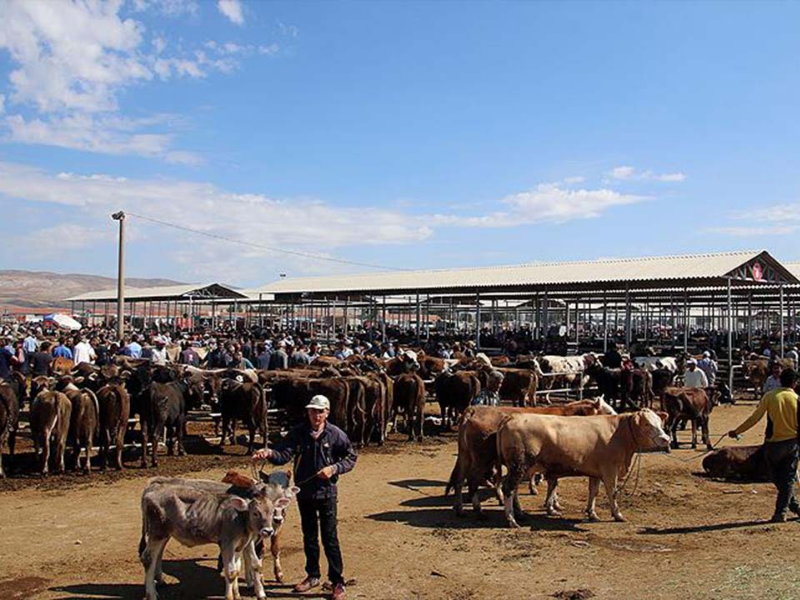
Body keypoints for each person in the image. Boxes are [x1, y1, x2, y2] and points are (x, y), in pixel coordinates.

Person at [252, 395, 356, 600]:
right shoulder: (298, 433)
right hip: (305, 492)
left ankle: (337, 581)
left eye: (320, 411)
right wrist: (268, 452)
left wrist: (334, 468)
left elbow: (351, 457)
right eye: (312, 411)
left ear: (327, 412)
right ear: (308, 412)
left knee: (330, 538)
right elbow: (284, 455)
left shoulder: (336, 434)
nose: (316, 415)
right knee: (309, 536)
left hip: (326, 492)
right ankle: (313, 575)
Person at [728, 368, 800, 522]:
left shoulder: (770, 396)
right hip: (792, 444)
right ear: (795, 383)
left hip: (773, 444)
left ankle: (782, 512)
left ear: (780, 380)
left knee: (777, 477)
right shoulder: (796, 398)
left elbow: (755, 418)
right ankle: (792, 506)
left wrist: (737, 431)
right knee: (787, 479)